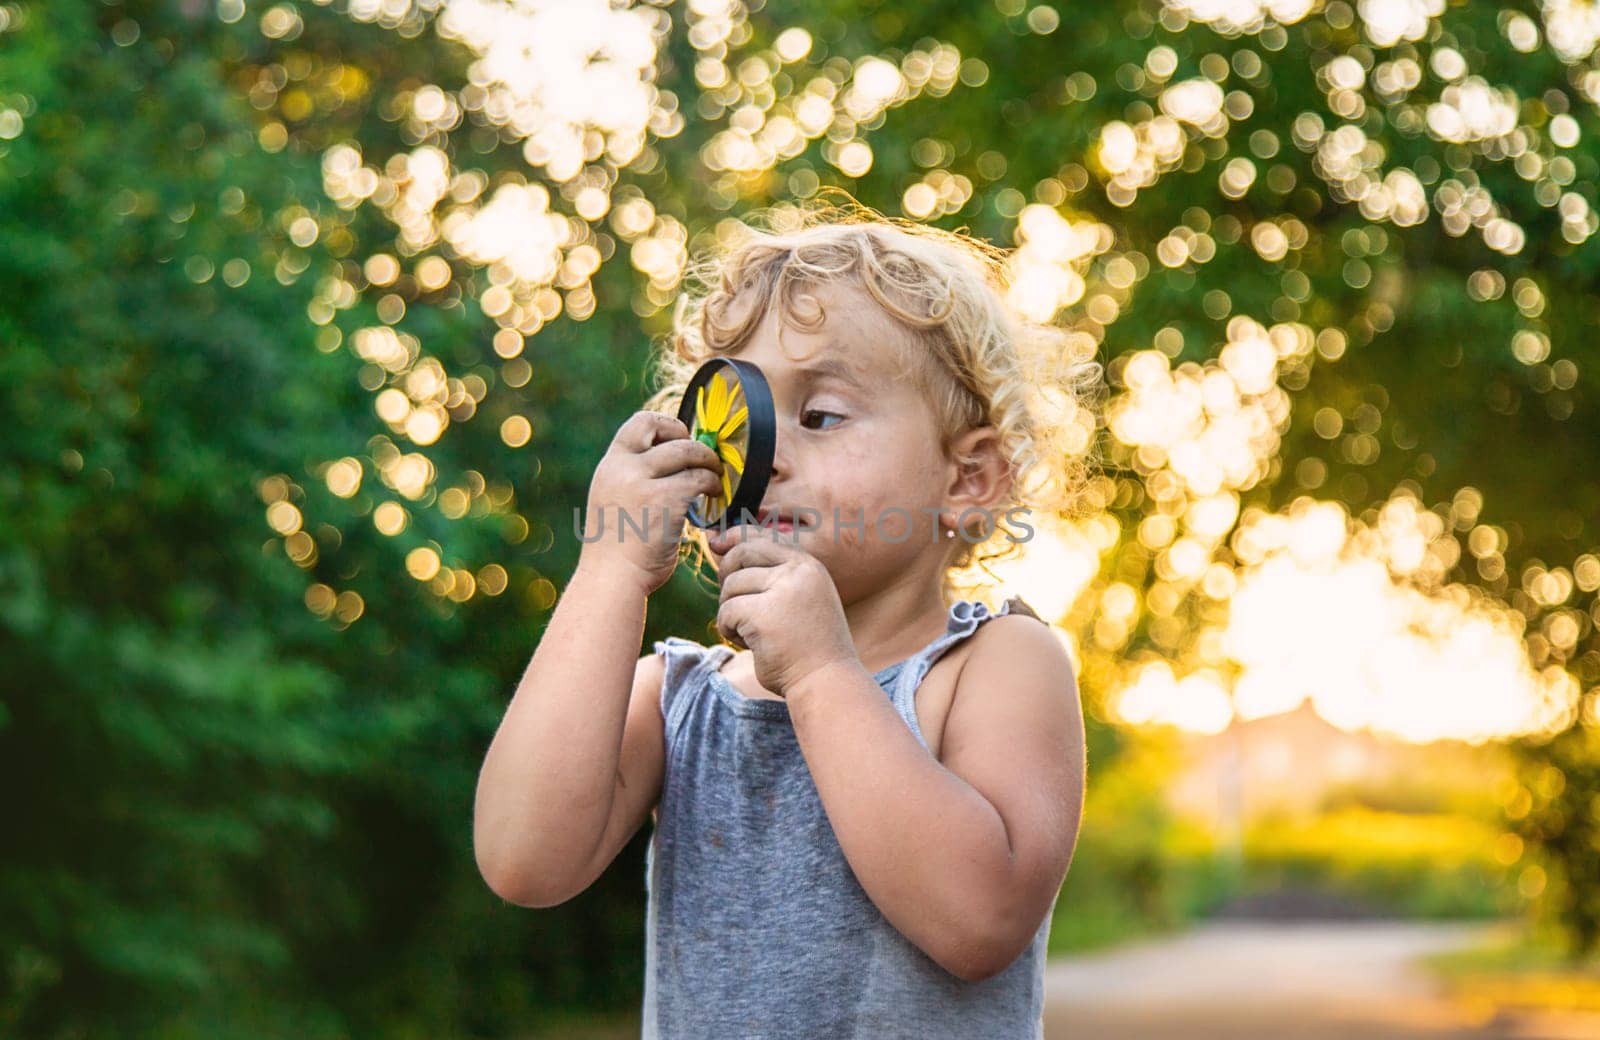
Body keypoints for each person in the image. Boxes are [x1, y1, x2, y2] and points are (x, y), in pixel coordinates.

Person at [473, 195, 1098, 1038]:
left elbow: (979, 922)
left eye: (821, 416)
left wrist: (820, 672)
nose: (764, 459)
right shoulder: (681, 696)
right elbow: (522, 858)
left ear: (968, 480)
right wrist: (611, 567)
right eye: (744, 419)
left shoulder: (996, 665)